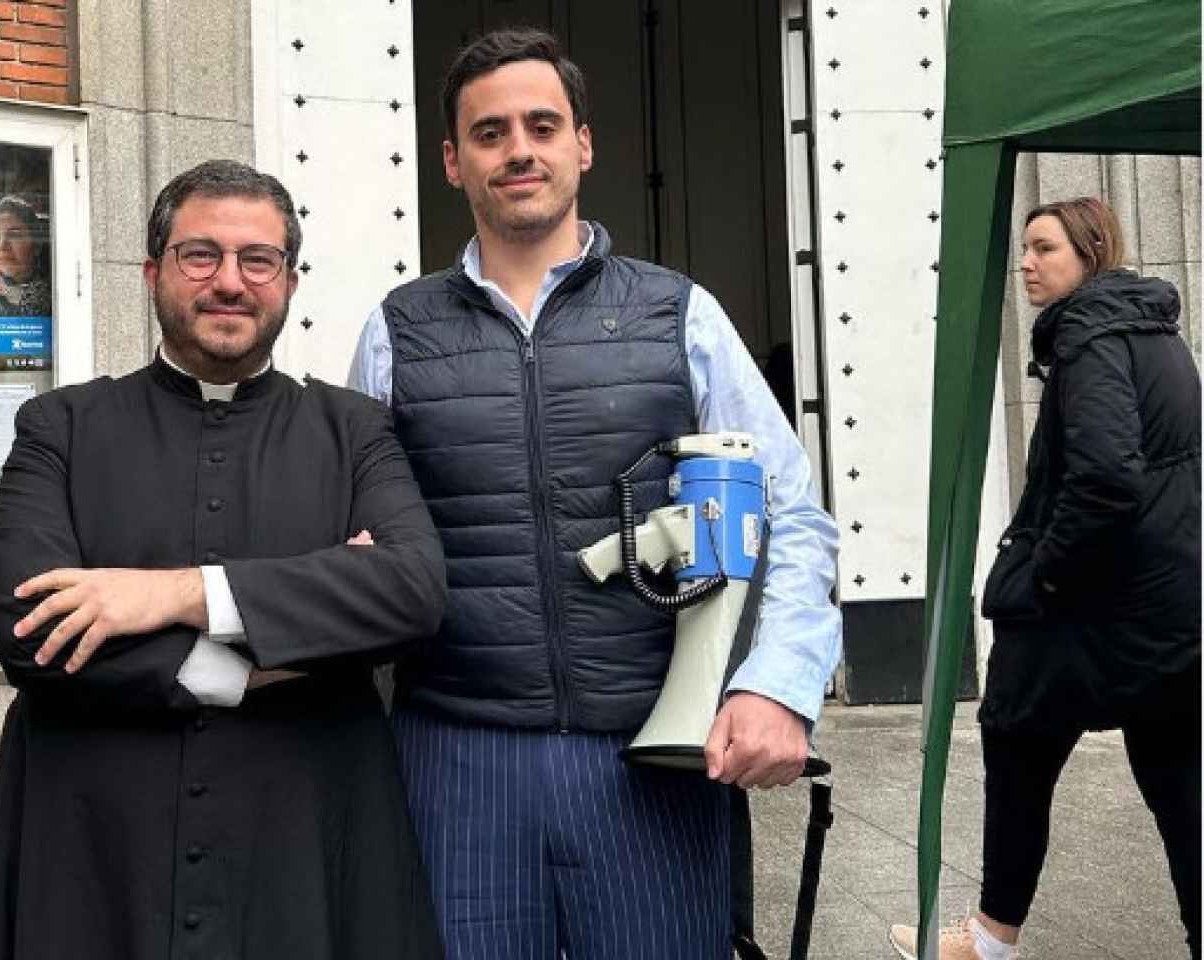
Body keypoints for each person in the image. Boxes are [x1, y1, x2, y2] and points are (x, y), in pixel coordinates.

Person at [347, 29, 842, 959]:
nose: (518, 150)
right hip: (456, 755)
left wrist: (777, 684)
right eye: (489, 133)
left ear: (583, 145)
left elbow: (790, 515)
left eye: (542, 126)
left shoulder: (680, 313)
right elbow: (362, 541)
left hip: (650, 756)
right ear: (452, 161)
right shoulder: (395, 333)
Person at [0, 160, 448, 960]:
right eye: (200, 255)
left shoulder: (353, 430)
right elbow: (27, 625)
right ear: (154, 273)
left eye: (258, 260)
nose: (229, 282)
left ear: (289, 281)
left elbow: (410, 590)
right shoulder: (60, 427)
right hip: (96, 844)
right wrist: (256, 661)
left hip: (303, 835)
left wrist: (176, 595)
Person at [890, 198, 1201, 960]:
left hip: (1101, 607)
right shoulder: (1152, 332)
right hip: (1168, 606)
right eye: (1024, 248)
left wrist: (1042, 578)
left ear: (1089, 253)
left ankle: (990, 940)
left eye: (1044, 248)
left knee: (1016, 735)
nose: (1025, 264)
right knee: (1179, 779)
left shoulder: (1091, 339)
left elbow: (1106, 479)